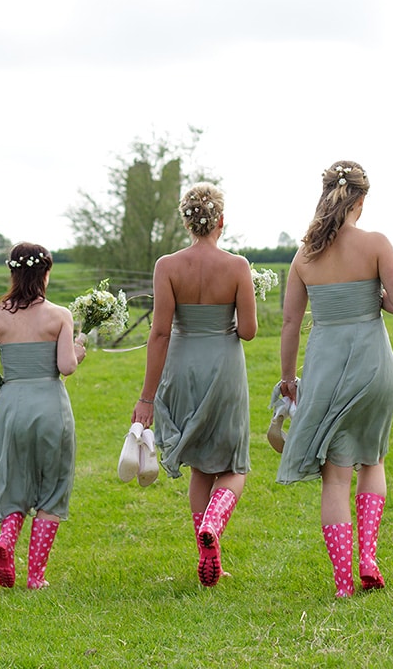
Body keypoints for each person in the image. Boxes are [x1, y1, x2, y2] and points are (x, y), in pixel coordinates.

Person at [276, 160, 393, 598]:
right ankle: (369, 557)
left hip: (326, 367)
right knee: (372, 460)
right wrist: (373, 295)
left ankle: (342, 584)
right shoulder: (376, 244)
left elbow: (290, 324)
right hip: (375, 365)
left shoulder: (305, 256)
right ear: (361, 199)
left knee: (335, 476)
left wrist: (287, 377)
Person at [130, 182, 258, 588]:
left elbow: (160, 333)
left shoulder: (167, 266)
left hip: (182, 365)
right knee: (233, 464)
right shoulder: (238, 267)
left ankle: (207, 547)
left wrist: (147, 398)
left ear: (187, 221)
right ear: (221, 221)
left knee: (200, 465)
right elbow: (251, 331)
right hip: (224, 364)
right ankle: (214, 526)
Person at [0, 242, 86, 589]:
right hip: (51, 407)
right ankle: (36, 576)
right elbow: (65, 367)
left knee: (14, 480)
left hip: (12, 407)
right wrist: (77, 352)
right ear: (46, 273)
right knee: (52, 488)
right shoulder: (60, 315)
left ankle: (6, 539)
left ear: (13, 273)